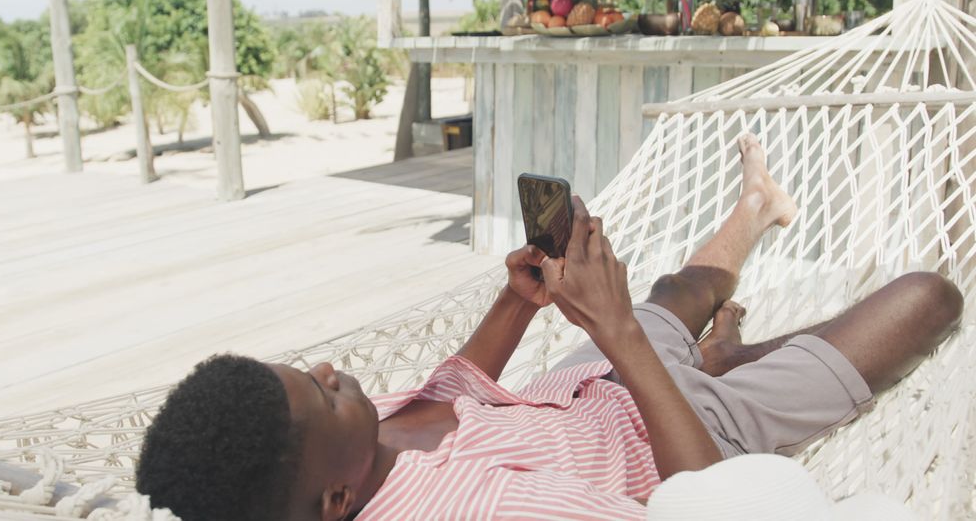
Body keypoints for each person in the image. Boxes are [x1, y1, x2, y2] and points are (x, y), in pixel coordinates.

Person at [135, 134, 963, 520]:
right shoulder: (477, 512)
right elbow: (704, 507)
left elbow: (455, 390)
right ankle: (729, 363)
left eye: (305, 370)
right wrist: (621, 336)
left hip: (582, 376)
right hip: (699, 436)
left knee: (677, 287)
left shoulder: (350, 437)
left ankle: (757, 208)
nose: (331, 374)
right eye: (324, 396)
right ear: (337, 500)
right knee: (927, 297)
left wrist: (519, 302)